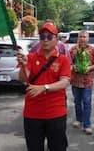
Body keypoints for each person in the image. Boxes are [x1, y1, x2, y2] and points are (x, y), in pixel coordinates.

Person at [17, 22, 71, 151]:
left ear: (56, 39)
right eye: (42, 37)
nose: (45, 40)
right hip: (32, 113)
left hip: (55, 113)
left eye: (49, 36)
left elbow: (65, 82)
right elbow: (23, 79)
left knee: (58, 147)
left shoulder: (63, 59)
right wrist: (23, 66)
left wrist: (44, 88)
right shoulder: (30, 57)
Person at [69, 30, 94, 135]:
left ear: (88, 39)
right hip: (75, 81)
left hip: (87, 81)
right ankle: (79, 119)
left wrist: (90, 67)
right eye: (80, 37)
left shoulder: (92, 50)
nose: (82, 39)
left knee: (87, 103)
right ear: (78, 38)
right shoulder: (73, 50)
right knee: (77, 102)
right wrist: (73, 67)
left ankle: (87, 125)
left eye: (84, 37)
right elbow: (69, 63)